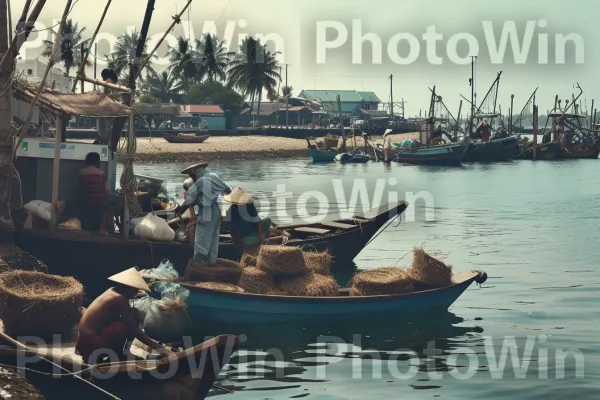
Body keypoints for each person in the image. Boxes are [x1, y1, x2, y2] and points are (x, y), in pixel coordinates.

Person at [75, 268, 172, 363]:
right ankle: (117, 355)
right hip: (90, 341)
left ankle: (120, 352)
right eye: (135, 289)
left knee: (134, 312)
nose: (137, 292)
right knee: (124, 326)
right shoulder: (119, 298)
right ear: (127, 287)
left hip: (87, 338)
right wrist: (162, 350)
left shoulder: (112, 290)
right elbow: (134, 330)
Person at [181, 162, 232, 265]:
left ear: (195, 173)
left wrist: (180, 208)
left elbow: (189, 200)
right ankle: (211, 263)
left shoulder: (201, 181)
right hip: (216, 210)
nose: (192, 178)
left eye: (191, 175)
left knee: (201, 241)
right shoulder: (214, 176)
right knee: (213, 239)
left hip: (206, 212)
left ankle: (199, 266)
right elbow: (228, 190)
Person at [224, 188, 272, 256]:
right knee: (242, 245)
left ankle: (258, 238)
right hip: (243, 235)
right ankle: (251, 243)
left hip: (251, 230)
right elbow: (236, 230)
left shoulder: (250, 205)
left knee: (268, 220)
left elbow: (258, 220)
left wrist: (260, 234)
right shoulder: (231, 211)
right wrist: (242, 245)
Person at [78, 152, 110, 234]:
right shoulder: (101, 173)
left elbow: (80, 188)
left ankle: (86, 227)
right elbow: (107, 190)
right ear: (97, 162)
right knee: (110, 204)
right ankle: (102, 229)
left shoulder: (81, 172)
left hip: (86, 200)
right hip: (100, 200)